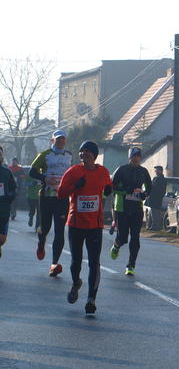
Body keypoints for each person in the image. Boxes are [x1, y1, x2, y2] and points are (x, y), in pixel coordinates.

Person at [58, 141, 112, 315]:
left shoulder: (103, 171)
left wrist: (109, 189)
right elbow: (61, 193)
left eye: (87, 151)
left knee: (94, 262)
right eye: (81, 151)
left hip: (95, 225)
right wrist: (75, 186)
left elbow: (108, 185)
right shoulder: (73, 171)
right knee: (76, 261)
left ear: (94, 155)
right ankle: (76, 283)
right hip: (76, 224)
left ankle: (91, 300)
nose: (84, 154)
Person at [30, 130, 73, 277]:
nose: (61, 141)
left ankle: (54, 263)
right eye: (58, 139)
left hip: (62, 198)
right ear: (52, 140)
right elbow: (32, 172)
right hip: (46, 197)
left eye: (63, 139)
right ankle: (41, 242)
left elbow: (71, 174)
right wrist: (45, 178)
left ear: (65, 141)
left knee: (60, 231)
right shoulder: (44, 155)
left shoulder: (69, 155)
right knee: (46, 227)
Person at [109, 147, 152, 275]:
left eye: (138, 156)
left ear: (140, 157)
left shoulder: (143, 171)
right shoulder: (121, 170)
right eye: (134, 156)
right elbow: (111, 187)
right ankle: (116, 245)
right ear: (129, 157)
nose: (136, 158)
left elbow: (149, 187)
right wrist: (125, 191)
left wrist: (144, 194)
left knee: (135, 237)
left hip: (136, 208)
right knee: (123, 237)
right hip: (121, 208)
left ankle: (131, 265)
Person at [0, 147, 17, 257]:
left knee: (2, 239)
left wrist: (10, 197)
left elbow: (14, 189)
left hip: (3, 209)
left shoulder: (6, 172)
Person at [146, 165, 167, 230]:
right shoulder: (157, 178)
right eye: (155, 170)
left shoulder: (160, 179)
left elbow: (155, 188)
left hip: (156, 198)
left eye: (157, 170)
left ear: (160, 171)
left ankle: (155, 226)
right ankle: (154, 225)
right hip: (155, 198)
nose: (156, 171)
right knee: (154, 212)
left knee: (155, 212)